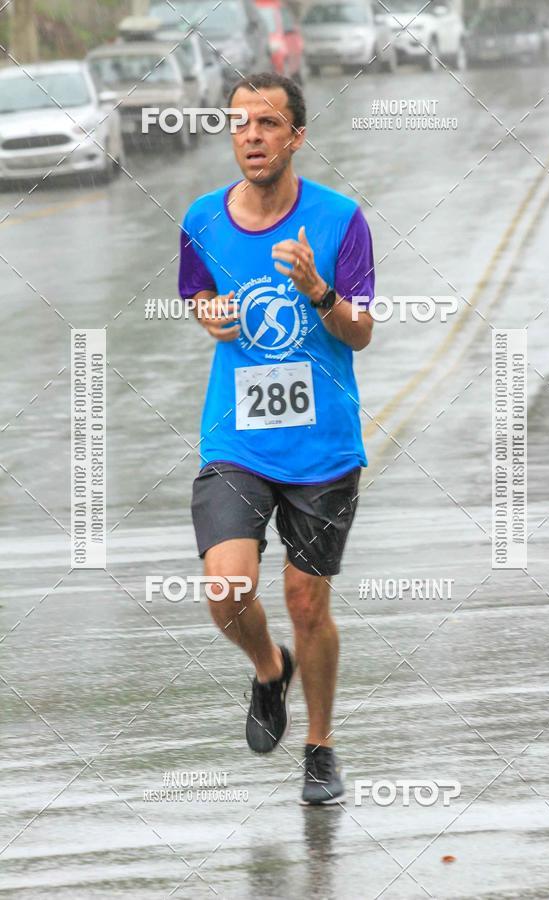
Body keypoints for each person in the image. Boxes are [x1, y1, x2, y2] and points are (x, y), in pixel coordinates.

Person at [178, 72, 374, 805]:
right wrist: (208, 312)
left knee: (306, 600)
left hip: (322, 446)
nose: (251, 137)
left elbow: (361, 329)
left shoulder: (339, 219)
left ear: (296, 136)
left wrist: (320, 292)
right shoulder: (202, 218)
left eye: (267, 124)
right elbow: (197, 290)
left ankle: (320, 748)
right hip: (238, 441)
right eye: (239, 124)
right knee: (226, 588)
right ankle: (268, 669)